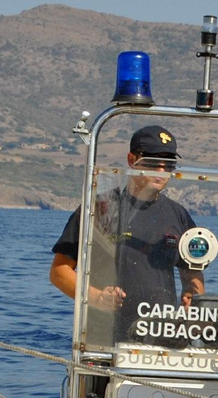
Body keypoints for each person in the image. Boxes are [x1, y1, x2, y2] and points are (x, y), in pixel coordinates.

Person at [50, 125, 205, 345]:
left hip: (162, 342)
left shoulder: (178, 215)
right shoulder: (99, 210)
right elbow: (59, 271)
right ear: (132, 160)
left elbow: (192, 270)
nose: (161, 170)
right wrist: (97, 298)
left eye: (168, 164)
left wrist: (192, 298)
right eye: (153, 162)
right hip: (105, 342)